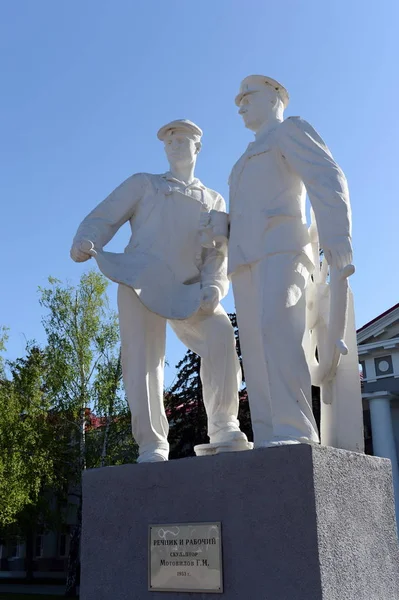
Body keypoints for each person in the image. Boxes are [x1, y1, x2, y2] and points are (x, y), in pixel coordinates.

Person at [71, 119, 249, 462]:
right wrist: (85, 240)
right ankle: (152, 443)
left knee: (220, 336)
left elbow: (217, 252)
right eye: (169, 142)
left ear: (197, 148)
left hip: (188, 288)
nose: (175, 146)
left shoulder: (214, 200)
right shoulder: (144, 184)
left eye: (182, 141)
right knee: (143, 361)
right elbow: (104, 217)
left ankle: (224, 425)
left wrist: (213, 283)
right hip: (141, 280)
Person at [228, 75, 352, 448]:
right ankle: (270, 435)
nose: (241, 104)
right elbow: (244, 213)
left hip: (283, 248)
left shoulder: (289, 131)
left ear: (275, 97)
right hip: (245, 260)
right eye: (240, 100)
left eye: (248, 96)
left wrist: (337, 237)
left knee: (279, 332)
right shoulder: (242, 161)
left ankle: (296, 430)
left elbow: (328, 178)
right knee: (255, 348)